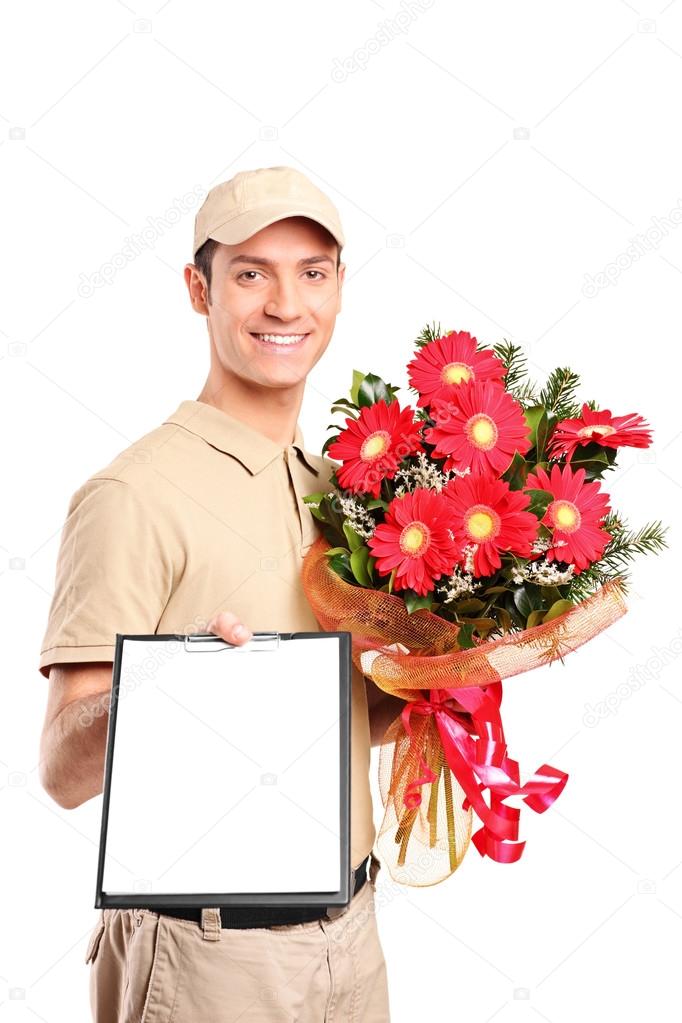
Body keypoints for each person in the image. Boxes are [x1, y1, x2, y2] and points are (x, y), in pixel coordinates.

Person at [37, 165, 402, 1021]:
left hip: (353, 934)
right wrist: (178, 684)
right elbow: (61, 769)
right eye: (250, 273)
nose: (286, 304)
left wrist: (455, 664)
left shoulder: (343, 493)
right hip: (208, 957)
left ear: (340, 287)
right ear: (199, 290)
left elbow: (351, 721)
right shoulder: (131, 495)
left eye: (312, 272)